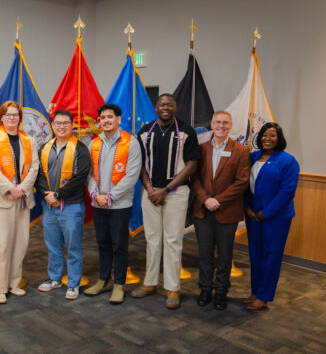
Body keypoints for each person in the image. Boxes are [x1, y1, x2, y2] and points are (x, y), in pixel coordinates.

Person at [133, 93, 200, 309]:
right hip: (150, 192)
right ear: (156, 107)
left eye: (170, 104)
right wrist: (151, 189)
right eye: (162, 104)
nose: (165, 107)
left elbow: (191, 165)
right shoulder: (145, 132)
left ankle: (173, 288)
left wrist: (166, 189)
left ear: (175, 107)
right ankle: (150, 283)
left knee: (172, 241)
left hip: (176, 193)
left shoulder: (186, 132)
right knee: (152, 239)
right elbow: (140, 163)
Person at [191, 111, 250, 310]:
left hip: (227, 211)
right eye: (218, 122)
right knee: (204, 254)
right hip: (203, 210)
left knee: (225, 255)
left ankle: (221, 292)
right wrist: (206, 199)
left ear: (230, 125)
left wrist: (218, 200)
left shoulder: (241, 151)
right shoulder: (201, 149)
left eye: (225, 122)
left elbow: (241, 182)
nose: (221, 125)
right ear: (211, 124)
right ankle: (205, 289)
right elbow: (195, 178)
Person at [83, 103, 141, 305]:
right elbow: (89, 174)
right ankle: (103, 280)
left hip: (119, 205)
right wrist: (95, 193)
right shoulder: (94, 144)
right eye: (102, 118)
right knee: (102, 243)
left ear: (118, 119)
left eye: (110, 117)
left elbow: (132, 176)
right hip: (98, 204)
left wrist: (110, 196)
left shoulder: (131, 143)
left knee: (119, 245)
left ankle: (119, 284)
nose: (106, 121)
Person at [0, 100, 38, 304]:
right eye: (8, 115)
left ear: (20, 118)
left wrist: (21, 189)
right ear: (2, 117)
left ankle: (14, 283)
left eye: (15, 115)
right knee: (0, 245)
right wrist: (9, 188)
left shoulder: (29, 140)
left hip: (22, 198)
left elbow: (34, 168)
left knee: (20, 243)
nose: (12, 118)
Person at [36, 109, 91, 300]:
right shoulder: (45, 147)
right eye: (58, 123)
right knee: (52, 245)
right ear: (52, 125)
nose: (61, 126)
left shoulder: (81, 149)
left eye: (65, 123)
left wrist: (58, 194)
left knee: (73, 246)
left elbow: (79, 178)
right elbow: (40, 175)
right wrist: (49, 196)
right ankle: (54, 278)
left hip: (71, 206)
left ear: (72, 125)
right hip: (49, 205)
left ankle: (73, 283)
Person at [244, 122, 299, 311]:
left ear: (279, 138)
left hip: (276, 218)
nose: (267, 139)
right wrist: (248, 208)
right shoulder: (252, 157)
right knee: (255, 254)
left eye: (272, 135)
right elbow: (244, 184)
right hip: (253, 216)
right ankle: (255, 291)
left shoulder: (287, 161)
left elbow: (287, 192)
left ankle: (264, 296)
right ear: (259, 138)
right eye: (264, 135)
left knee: (271, 255)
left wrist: (265, 213)